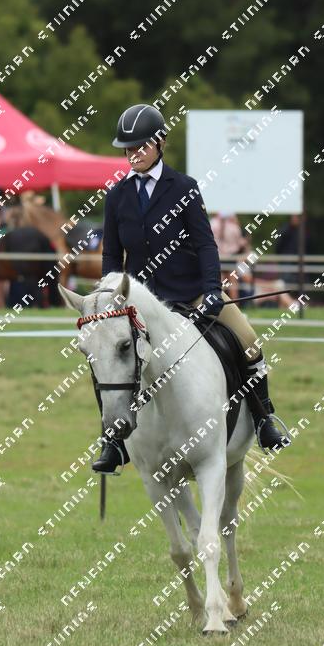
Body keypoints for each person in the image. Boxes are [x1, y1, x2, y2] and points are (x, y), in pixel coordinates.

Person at [92, 103, 290, 474]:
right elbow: (111, 256)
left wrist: (212, 290)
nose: (133, 154)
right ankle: (113, 441)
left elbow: (205, 245)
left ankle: (265, 419)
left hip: (191, 291)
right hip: (142, 303)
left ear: (160, 143)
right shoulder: (117, 196)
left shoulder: (183, 187)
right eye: (127, 148)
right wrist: (108, 301)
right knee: (106, 356)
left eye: (141, 146)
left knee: (249, 340)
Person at [210, 211, 254, 302]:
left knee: (219, 282)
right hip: (230, 257)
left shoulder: (212, 223)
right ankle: (235, 305)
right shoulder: (234, 227)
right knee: (232, 282)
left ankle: (215, 302)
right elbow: (238, 244)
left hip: (218, 256)